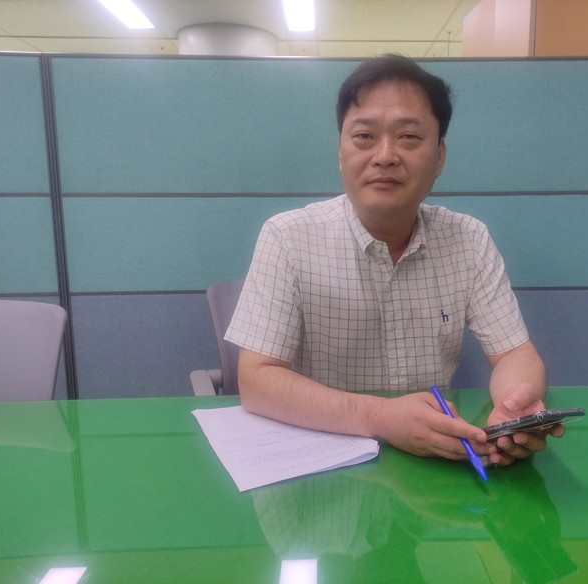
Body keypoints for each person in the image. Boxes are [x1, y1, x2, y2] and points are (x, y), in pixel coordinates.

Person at [225, 54, 563, 466]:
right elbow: (257, 379)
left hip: (435, 461)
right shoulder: (288, 237)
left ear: (439, 156)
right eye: (364, 136)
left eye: (408, 137)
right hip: (326, 462)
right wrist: (381, 417)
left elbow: (514, 354)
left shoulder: (468, 239)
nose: (385, 155)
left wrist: (515, 403)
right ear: (340, 152)